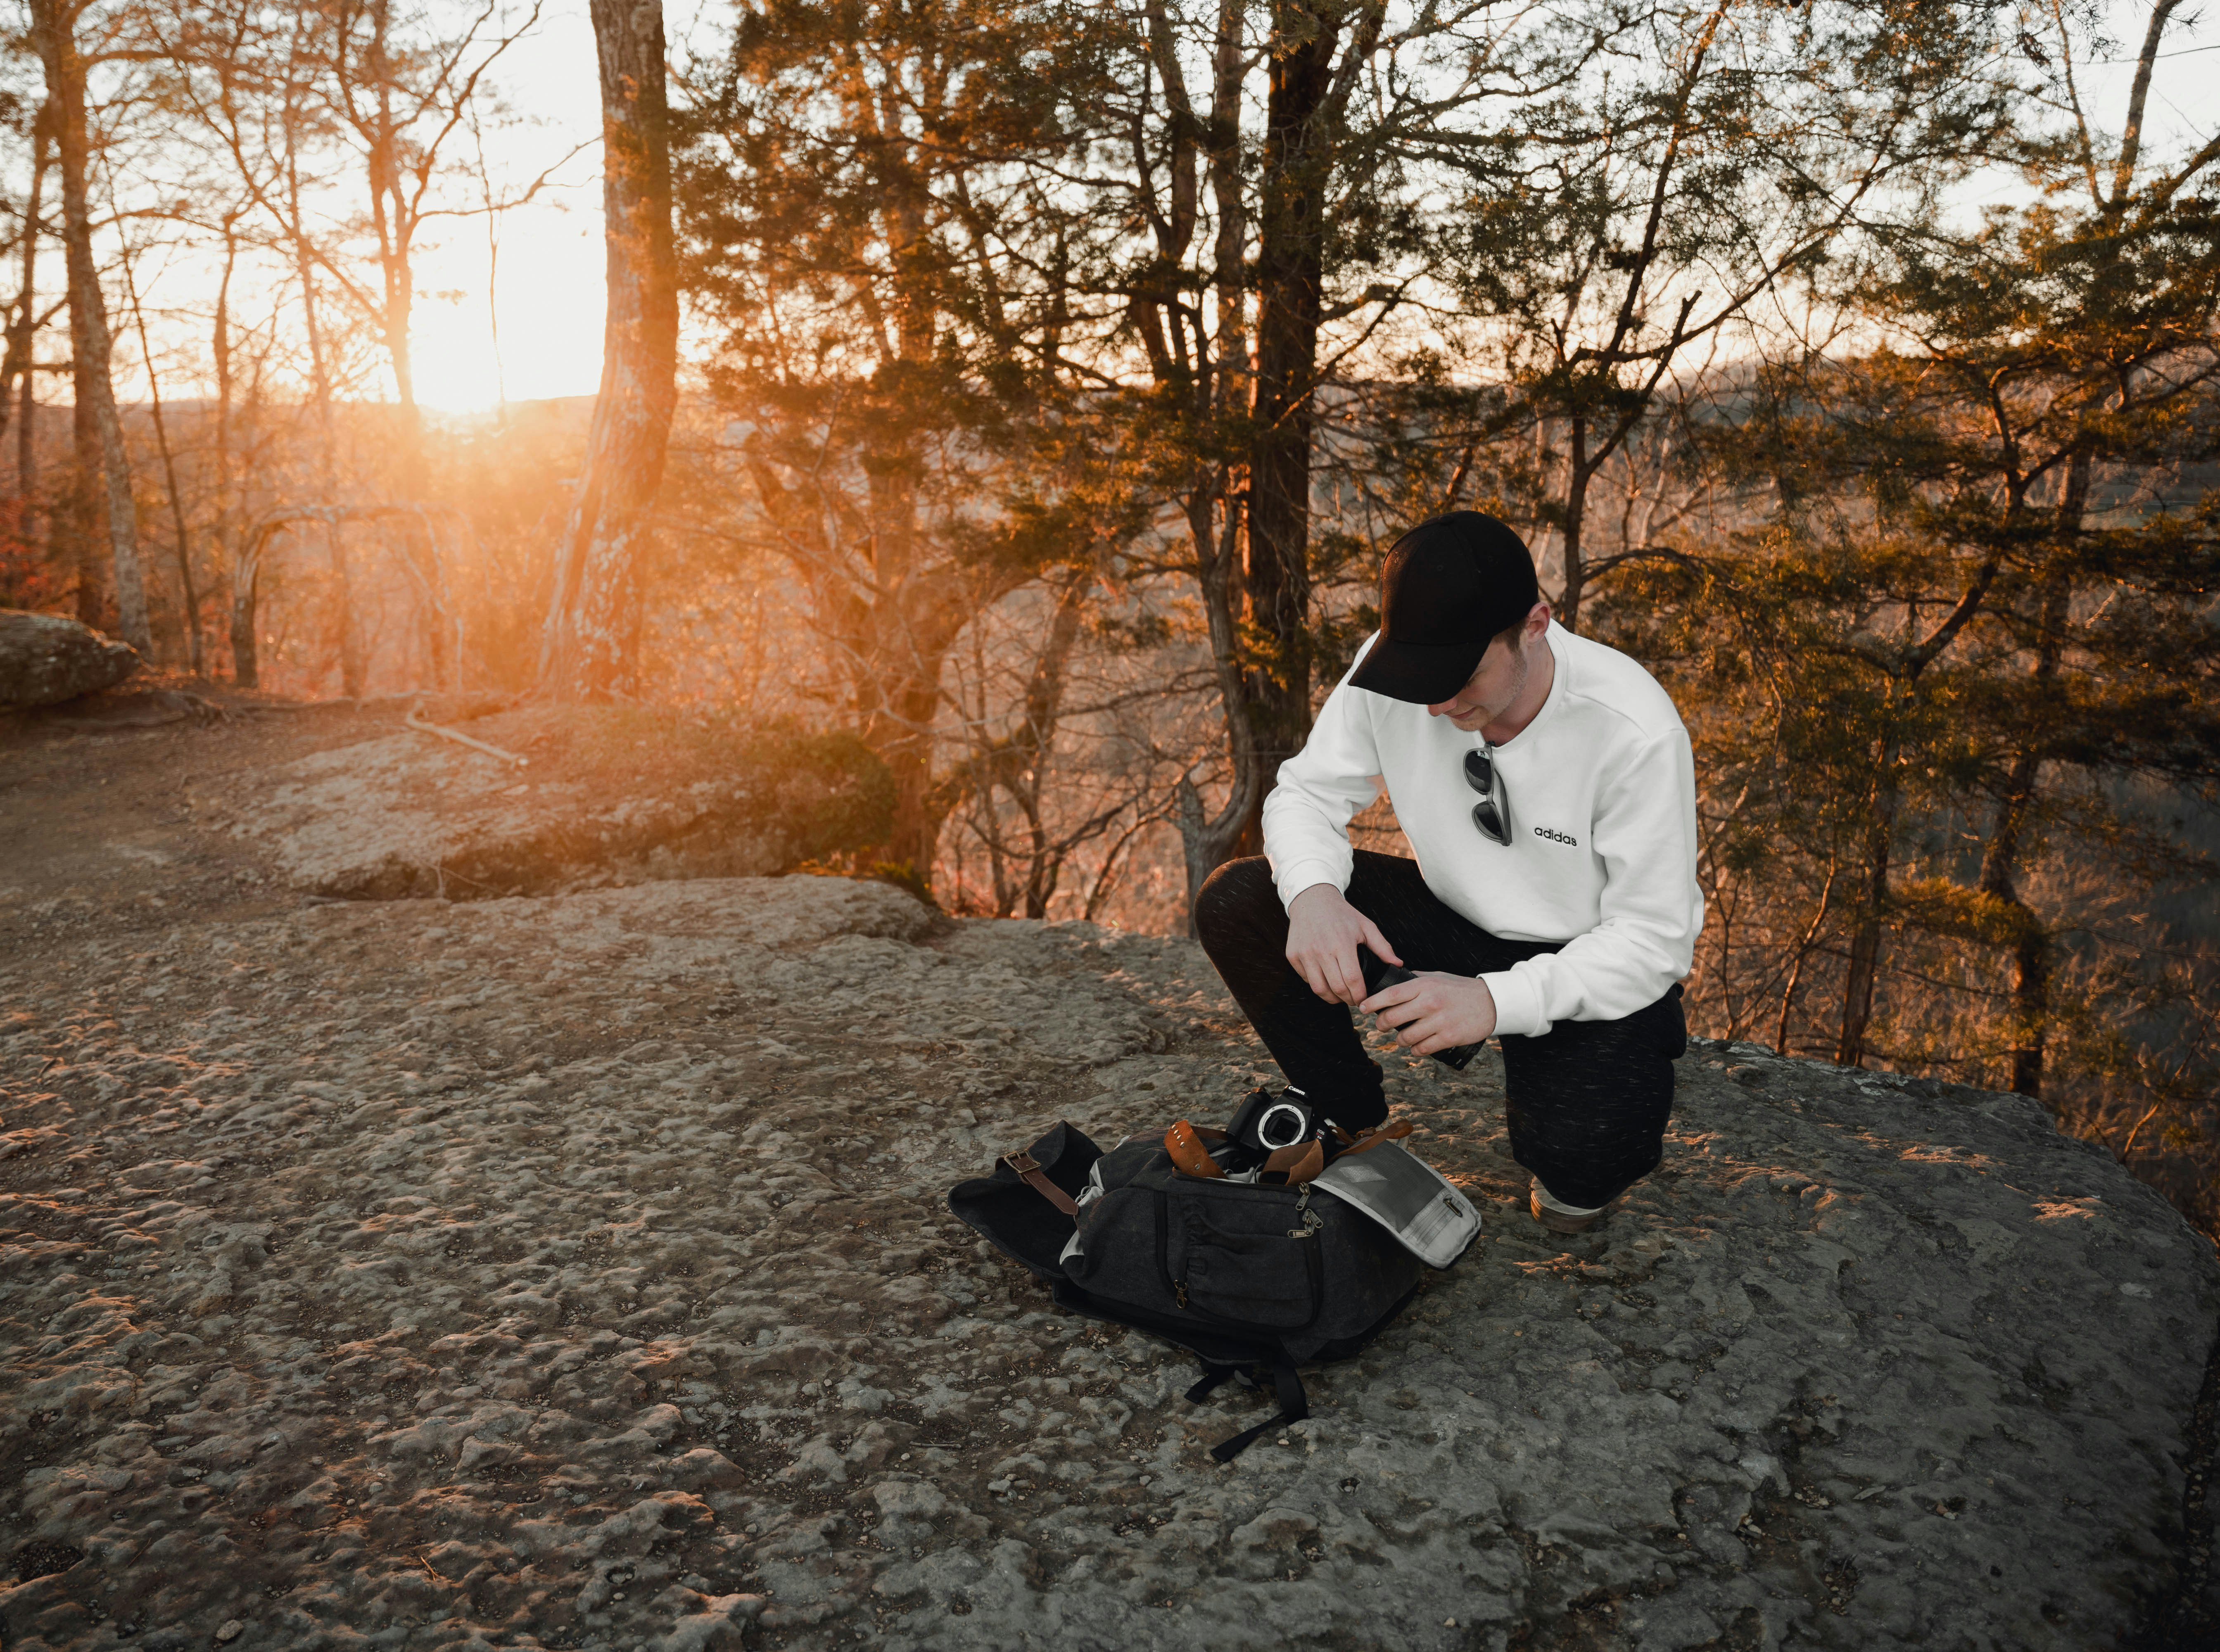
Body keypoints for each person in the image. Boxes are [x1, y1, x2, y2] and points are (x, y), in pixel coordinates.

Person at [1193, 510, 1700, 1235]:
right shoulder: (1396, 670)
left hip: (1587, 960)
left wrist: (1495, 1002)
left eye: (1460, 675)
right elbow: (1307, 793)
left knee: (1582, 1175)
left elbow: (1653, 939)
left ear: (1535, 623)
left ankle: (1566, 1142)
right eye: (1419, 675)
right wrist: (1313, 896)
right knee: (1242, 899)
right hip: (1451, 922)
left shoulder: (1632, 727)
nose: (1434, 702)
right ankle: (1346, 1120)